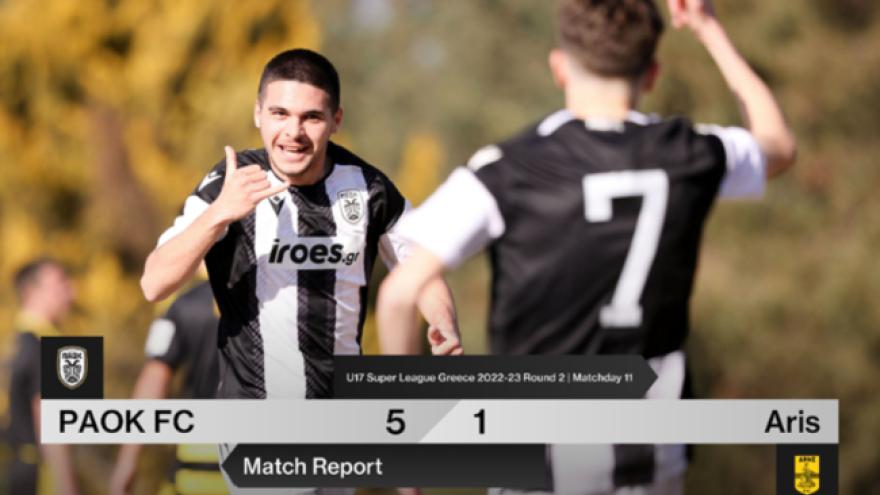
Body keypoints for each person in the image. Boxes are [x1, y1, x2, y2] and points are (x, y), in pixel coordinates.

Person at [376, 0, 796, 493]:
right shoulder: (688, 152)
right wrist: (709, 29)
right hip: (653, 461)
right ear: (652, 74)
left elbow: (399, 295)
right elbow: (778, 145)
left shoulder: (509, 170)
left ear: (559, 68)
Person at [140, 48, 460, 493]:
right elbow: (154, 282)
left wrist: (442, 320)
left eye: (311, 117)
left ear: (336, 120)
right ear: (258, 113)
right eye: (280, 114)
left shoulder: (367, 187)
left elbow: (420, 264)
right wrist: (219, 214)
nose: (293, 132)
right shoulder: (227, 184)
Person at [110, 278, 225, 495]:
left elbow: (154, 379)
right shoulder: (284, 301)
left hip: (195, 467)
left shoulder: (185, 304)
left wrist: (128, 459)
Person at [5, 259, 80, 495]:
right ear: (31, 291)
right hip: (43, 477)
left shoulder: (14, 343)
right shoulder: (49, 345)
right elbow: (53, 425)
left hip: (17, 471)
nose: (71, 291)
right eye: (60, 283)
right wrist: (67, 487)